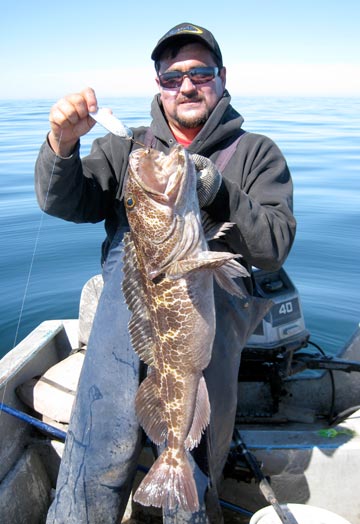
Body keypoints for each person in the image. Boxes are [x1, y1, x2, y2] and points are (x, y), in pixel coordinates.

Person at [35, 22, 296, 524]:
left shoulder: (257, 153)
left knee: (193, 466)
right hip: (126, 324)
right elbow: (62, 199)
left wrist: (218, 189)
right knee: (95, 450)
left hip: (206, 332)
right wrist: (61, 145)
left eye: (201, 72)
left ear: (222, 78)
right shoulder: (126, 147)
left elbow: (275, 244)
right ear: (158, 85)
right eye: (173, 76)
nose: (188, 84)